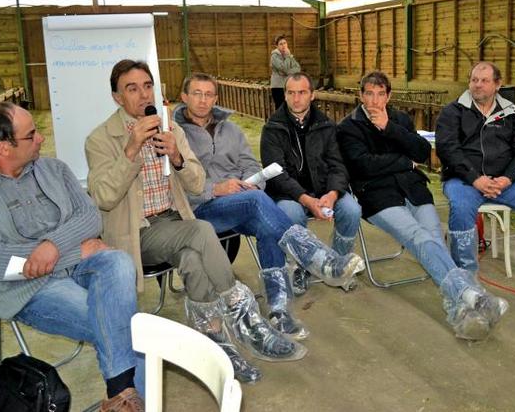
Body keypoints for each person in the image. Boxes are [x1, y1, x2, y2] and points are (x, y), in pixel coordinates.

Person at [85, 60, 305, 385]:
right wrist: (130, 151)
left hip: (177, 221)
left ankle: (217, 344)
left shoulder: (169, 129)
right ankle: (245, 317)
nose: (142, 93)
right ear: (117, 97)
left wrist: (176, 157)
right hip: (139, 232)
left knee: (192, 259)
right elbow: (103, 197)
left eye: (147, 86)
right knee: (201, 231)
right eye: (132, 88)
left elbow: (196, 181)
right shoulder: (100, 139)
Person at [0, 102, 144, 412]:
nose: (41, 138)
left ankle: (121, 393)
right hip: (31, 290)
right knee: (127, 325)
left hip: (81, 266)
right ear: (3, 147)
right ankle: (127, 396)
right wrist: (73, 249)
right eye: (31, 135)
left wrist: (53, 247)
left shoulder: (55, 169)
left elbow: (90, 217)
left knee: (119, 262)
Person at [173, 73, 365, 340]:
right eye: (196, 93)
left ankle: (279, 310)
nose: (203, 100)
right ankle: (319, 258)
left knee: (268, 226)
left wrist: (252, 182)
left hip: (242, 201)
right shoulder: (173, 134)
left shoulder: (232, 129)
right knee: (264, 206)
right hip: (202, 207)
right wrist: (215, 189)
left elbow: (251, 164)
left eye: (208, 94)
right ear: (184, 97)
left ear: (216, 97)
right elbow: (173, 181)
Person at [337, 71, 508, 341]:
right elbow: (363, 166)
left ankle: (463, 312)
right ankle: (471, 294)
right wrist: (403, 161)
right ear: (360, 96)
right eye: (369, 93)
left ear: (389, 96)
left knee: (434, 241)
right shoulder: (348, 127)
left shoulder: (400, 119)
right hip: (378, 197)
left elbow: (421, 152)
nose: (375, 100)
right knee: (418, 237)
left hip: (414, 191)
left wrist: (389, 129)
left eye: (381, 94)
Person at [436, 61, 515, 295]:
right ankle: (465, 275)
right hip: (463, 180)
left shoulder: (511, 114)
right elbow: (448, 150)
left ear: (498, 84)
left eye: (484, 80)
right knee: (462, 207)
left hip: (502, 182)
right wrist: (476, 179)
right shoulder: (453, 111)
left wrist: (507, 179)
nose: (478, 85)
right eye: (474, 80)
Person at [260, 72, 363, 294]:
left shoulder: (326, 126)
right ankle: (299, 266)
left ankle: (338, 264)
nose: (296, 99)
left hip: (324, 190)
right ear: (284, 95)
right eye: (291, 93)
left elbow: (338, 165)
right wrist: (306, 200)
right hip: (289, 195)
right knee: (292, 215)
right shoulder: (273, 128)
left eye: (302, 92)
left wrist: (334, 193)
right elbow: (276, 174)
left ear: (312, 95)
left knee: (352, 210)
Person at [270, 34, 301, 110]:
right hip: (278, 87)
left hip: (288, 86)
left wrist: (288, 71)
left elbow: (298, 68)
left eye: (285, 43)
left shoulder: (289, 56)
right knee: (281, 109)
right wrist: (288, 58)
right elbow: (284, 68)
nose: (283, 45)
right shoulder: (274, 56)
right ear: (276, 46)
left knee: (290, 108)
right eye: (281, 44)